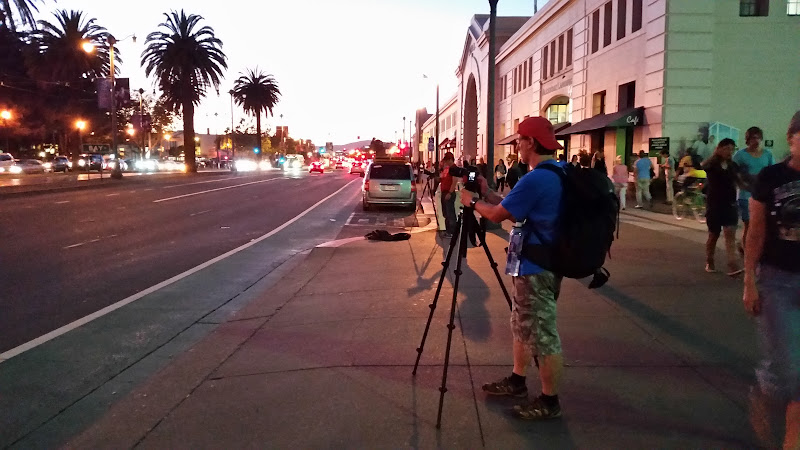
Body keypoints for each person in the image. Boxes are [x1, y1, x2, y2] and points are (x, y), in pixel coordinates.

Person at [459, 116, 566, 420]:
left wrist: (471, 202)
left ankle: (549, 401)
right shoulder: (554, 173)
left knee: (543, 334)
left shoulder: (536, 178)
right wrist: (485, 190)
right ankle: (518, 380)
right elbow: (509, 208)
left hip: (537, 265)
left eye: (520, 139)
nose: (517, 145)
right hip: (540, 262)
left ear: (531, 142)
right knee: (522, 323)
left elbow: (494, 215)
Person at [743, 111, 800, 450]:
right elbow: (756, 232)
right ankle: (764, 394)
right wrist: (749, 279)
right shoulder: (771, 177)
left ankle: (792, 440)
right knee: (784, 369)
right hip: (777, 279)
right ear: (792, 138)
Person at [701, 138, 742, 275]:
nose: (729, 152)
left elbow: (740, 181)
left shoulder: (733, 166)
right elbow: (703, 166)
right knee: (713, 235)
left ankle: (732, 264)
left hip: (729, 204)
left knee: (730, 234)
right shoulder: (711, 164)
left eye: (732, 149)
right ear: (719, 149)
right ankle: (709, 260)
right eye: (726, 148)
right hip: (714, 204)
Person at [733, 126, 775, 256]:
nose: (755, 141)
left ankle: (745, 246)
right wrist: (742, 183)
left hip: (762, 194)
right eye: (752, 138)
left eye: (758, 138)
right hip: (746, 194)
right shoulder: (740, 155)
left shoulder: (767, 154)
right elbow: (734, 173)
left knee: (760, 225)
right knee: (749, 224)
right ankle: (747, 253)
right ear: (747, 139)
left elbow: (772, 172)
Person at [439, 152, 457, 238]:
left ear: (450, 160)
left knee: (450, 213)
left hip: (448, 192)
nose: (445, 162)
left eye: (446, 160)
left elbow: (454, 181)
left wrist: (450, 192)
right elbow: (442, 178)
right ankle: (448, 230)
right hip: (444, 191)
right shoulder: (447, 168)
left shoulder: (453, 168)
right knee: (446, 213)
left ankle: (452, 231)